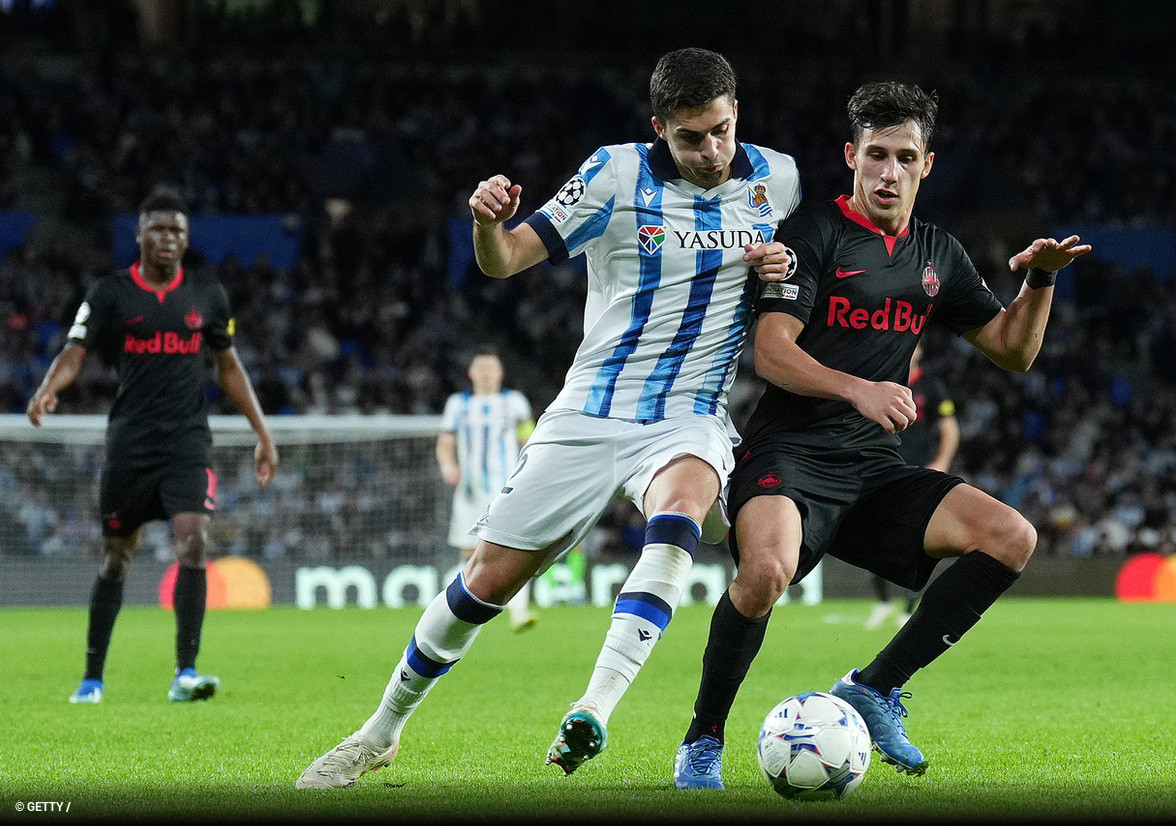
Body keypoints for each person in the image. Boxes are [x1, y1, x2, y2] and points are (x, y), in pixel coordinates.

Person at [296, 46, 801, 789]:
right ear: (658, 127)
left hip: (686, 413)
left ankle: (594, 708)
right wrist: (484, 225)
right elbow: (504, 261)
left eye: (722, 131)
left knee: (682, 506)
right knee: (484, 583)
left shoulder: (777, 178)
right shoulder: (613, 174)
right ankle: (380, 731)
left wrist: (781, 270)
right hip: (589, 410)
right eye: (691, 137)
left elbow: (799, 273)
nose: (711, 151)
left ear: (736, 116)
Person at [672, 81, 1090, 789]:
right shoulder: (813, 235)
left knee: (1011, 537)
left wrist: (1039, 283)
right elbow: (771, 350)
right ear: (850, 156)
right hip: (788, 453)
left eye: (903, 157)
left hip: (871, 468)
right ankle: (702, 740)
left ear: (926, 164)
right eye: (874, 156)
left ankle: (872, 686)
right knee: (765, 574)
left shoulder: (937, 252)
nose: (887, 172)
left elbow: (1013, 352)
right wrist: (856, 388)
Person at [27, 189, 278, 704]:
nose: (168, 238)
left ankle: (186, 673)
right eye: (159, 229)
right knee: (117, 557)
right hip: (130, 445)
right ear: (139, 233)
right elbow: (76, 351)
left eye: (178, 231)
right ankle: (92, 679)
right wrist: (50, 386)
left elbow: (228, 368)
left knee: (194, 540)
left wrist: (263, 433)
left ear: (186, 240)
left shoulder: (208, 295)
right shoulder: (110, 293)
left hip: (187, 442)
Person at [434, 348, 537, 631]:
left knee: (515, 548)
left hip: (506, 489)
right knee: (469, 552)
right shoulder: (458, 404)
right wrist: (447, 465)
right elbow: (445, 441)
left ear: (500, 373)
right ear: (471, 373)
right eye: (481, 368)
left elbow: (528, 437)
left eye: (491, 368)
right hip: (470, 489)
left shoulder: (514, 402)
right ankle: (456, 610)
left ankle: (519, 612)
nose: (486, 373)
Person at [865, 340, 959, 629]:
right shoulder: (880, 381)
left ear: (920, 351)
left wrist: (941, 463)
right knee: (874, 539)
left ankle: (908, 607)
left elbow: (949, 428)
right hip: (882, 469)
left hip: (918, 471)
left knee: (915, 541)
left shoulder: (931, 386)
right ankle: (883, 602)